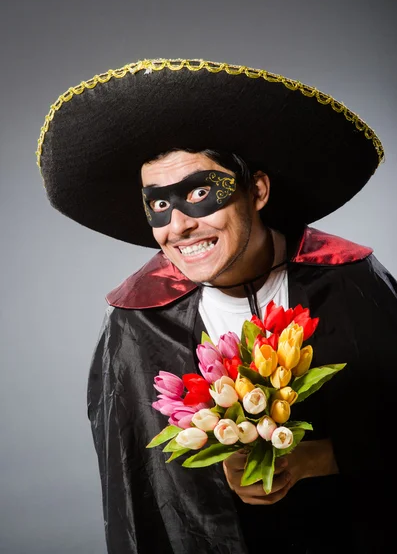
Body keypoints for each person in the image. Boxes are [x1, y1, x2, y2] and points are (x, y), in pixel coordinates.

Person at [37, 58, 396, 554]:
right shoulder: (138, 321)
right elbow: (142, 482)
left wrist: (314, 459)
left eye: (200, 193)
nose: (178, 225)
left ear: (257, 191)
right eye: (159, 204)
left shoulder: (348, 281)